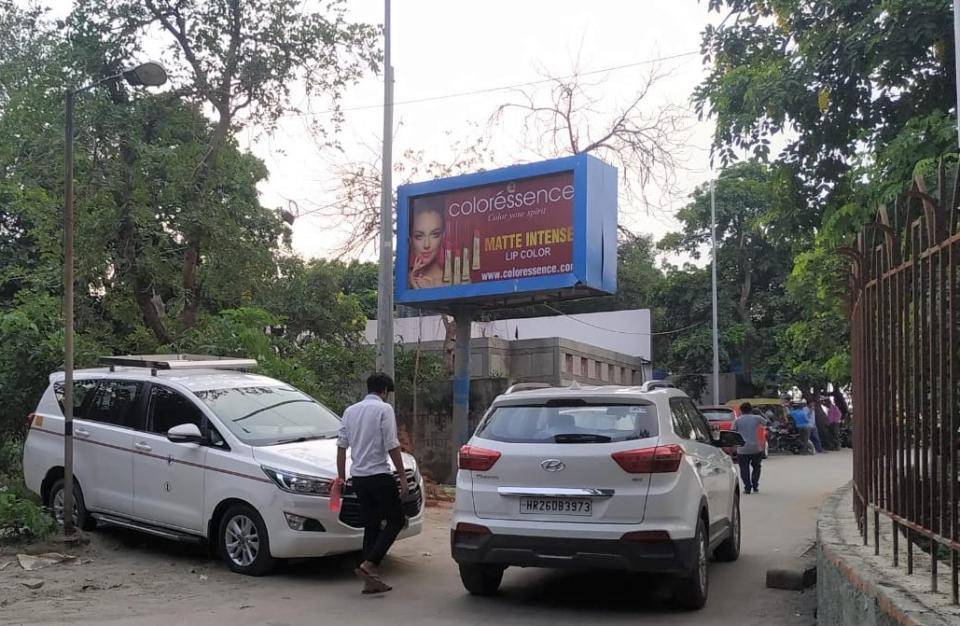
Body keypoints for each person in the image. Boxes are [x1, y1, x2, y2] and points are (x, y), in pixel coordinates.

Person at [337, 373, 412, 594]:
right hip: (379, 475)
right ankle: (370, 564)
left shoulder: (350, 411)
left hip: (358, 477)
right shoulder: (384, 409)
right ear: (385, 391)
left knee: (371, 523)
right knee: (396, 520)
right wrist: (402, 477)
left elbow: (341, 446)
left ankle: (370, 580)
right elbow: (391, 443)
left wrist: (341, 477)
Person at [408, 199, 446, 289]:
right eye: (419, 236)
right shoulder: (405, 281)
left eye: (434, 235)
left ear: (443, 236)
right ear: (410, 239)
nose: (426, 245)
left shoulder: (458, 280)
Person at [732, 402, 769, 494]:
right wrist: (760, 413)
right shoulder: (757, 418)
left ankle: (747, 487)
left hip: (742, 449)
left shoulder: (737, 420)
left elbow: (733, 433)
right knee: (757, 466)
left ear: (741, 410)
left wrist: (733, 446)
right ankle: (755, 485)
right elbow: (767, 423)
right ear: (751, 409)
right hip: (755, 448)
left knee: (744, 469)